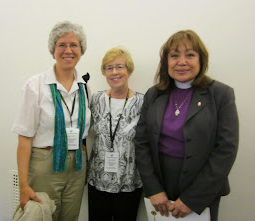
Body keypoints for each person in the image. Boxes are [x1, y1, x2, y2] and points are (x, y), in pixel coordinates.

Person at [134, 30, 239, 221]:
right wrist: (153, 188)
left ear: (201, 59)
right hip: (160, 188)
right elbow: (141, 143)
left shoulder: (221, 94)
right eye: (174, 55)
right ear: (166, 61)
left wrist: (193, 198)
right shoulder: (153, 94)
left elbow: (226, 150)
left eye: (190, 55)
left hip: (202, 189)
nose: (181, 62)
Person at [11, 21, 91, 221]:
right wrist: (23, 186)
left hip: (77, 165)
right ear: (53, 49)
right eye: (61, 45)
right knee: (44, 216)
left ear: (81, 50)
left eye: (74, 45)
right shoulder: (35, 86)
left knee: (69, 218)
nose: (68, 50)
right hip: (45, 164)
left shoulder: (85, 88)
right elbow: (24, 139)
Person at [87, 46, 143, 221]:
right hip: (97, 180)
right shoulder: (95, 99)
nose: (114, 72)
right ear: (104, 72)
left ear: (129, 70)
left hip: (128, 182)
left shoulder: (143, 102)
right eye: (109, 68)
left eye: (119, 67)